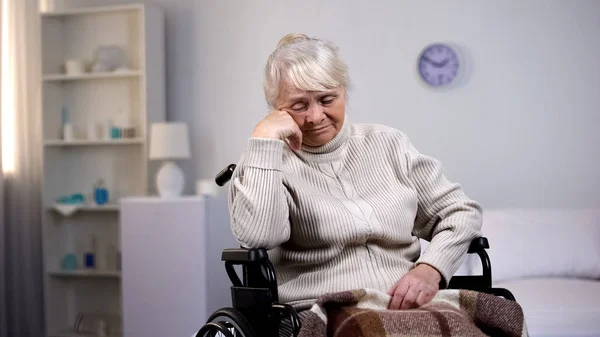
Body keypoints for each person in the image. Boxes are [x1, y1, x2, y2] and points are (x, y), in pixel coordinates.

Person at [228, 33, 483, 312]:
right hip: (326, 311)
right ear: (276, 109)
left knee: (499, 320)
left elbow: (460, 212)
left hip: (409, 306)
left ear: (344, 91)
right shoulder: (263, 162)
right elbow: (258, 237)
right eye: (299, 105)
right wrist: (264, 140)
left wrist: (430, 268)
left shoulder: (390, 144)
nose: (315, 116)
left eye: (327, 99)